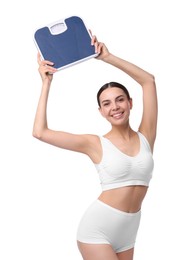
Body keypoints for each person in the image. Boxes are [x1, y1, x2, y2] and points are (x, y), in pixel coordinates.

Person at [33, 33, 158, 260]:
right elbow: (40, 132)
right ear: (101, 111)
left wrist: (107, 57)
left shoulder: (146, 137)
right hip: (97, 231)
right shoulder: (94, 143)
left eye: (120, 99)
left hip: (129, 232)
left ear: (130, 103)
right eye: (106, 103)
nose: (115, 107)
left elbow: (148, 81)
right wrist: (46, 84)